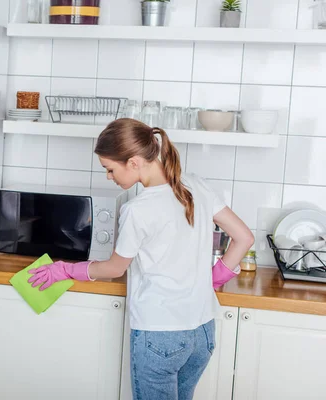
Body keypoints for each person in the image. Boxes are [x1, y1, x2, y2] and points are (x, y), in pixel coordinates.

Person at [28, 118, 254, 400]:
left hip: (160, 335)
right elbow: (244, 237)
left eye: (110, 169)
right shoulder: (196, 185)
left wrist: (65, 269)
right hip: (203, 332)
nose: (109, 177)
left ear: (133, 162)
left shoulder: (139, 209)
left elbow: (113, 268)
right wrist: (214, 278)